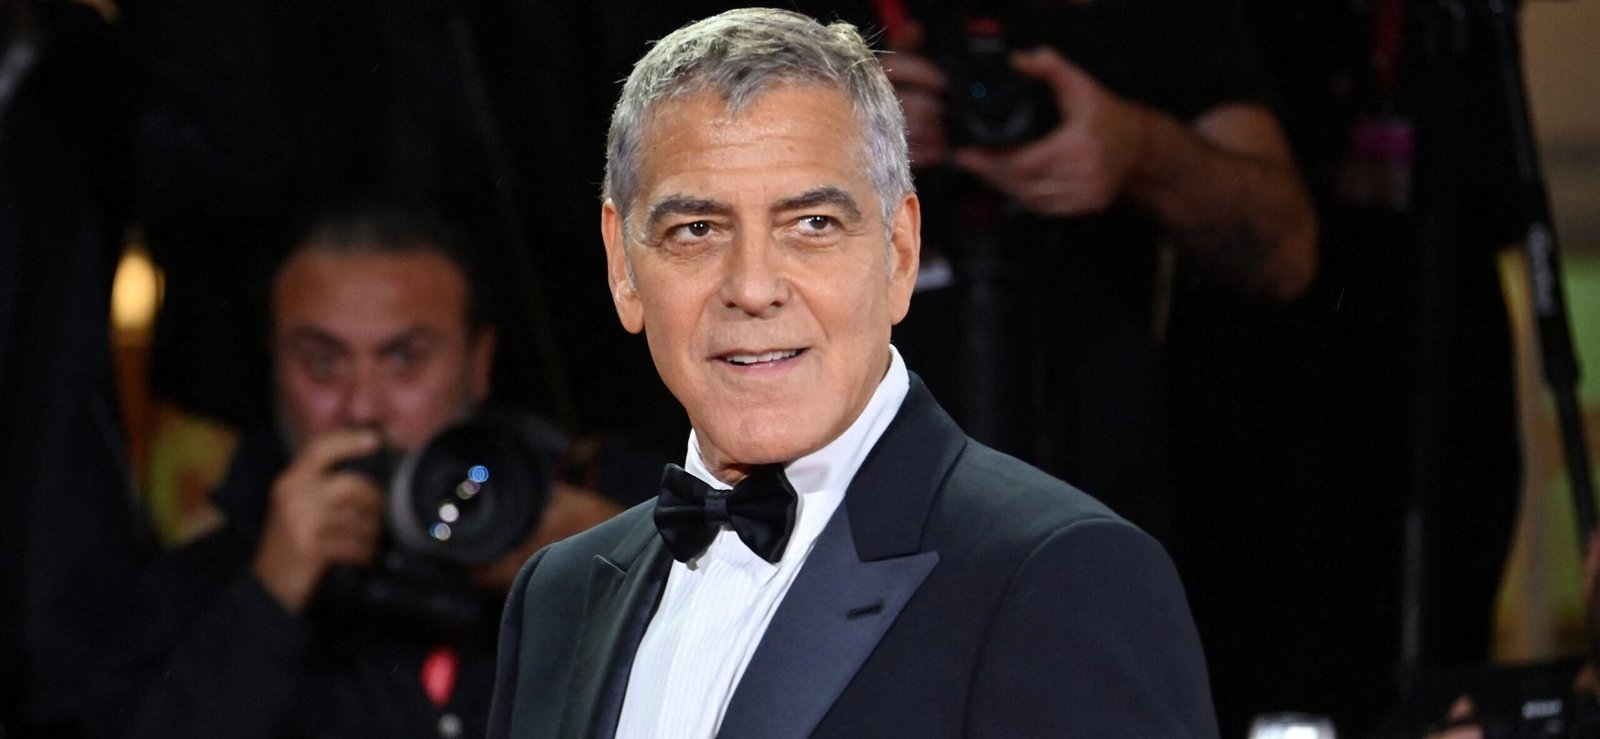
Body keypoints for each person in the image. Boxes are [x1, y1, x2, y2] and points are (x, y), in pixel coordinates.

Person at [488, 8, 1218, 737]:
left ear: (899, 253)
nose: (753, 287)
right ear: (623, 266)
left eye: (812, 224)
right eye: (697, 230)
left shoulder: (1061, 574)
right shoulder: (558, 595)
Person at [91, 198, 630, 739]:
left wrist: (629, 590)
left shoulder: (579, 526)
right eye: (323, 363)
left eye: (405, 359)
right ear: (276, 368)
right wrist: (268, 600)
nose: (363, 408)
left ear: (478, 363)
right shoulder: (191, 595)